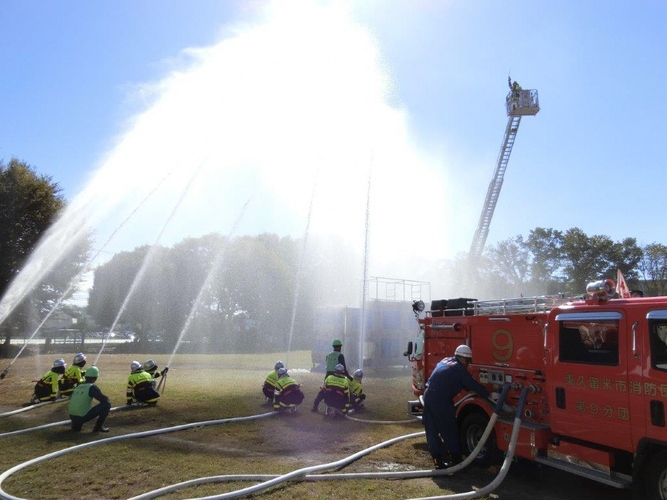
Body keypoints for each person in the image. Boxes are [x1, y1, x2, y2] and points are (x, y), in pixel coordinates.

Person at [422, 344, 489, 469]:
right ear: (464, 358)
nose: (468, 363)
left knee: (431, 428)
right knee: (449, 428)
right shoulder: (459, 369)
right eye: (468, 360)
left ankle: (438, 461)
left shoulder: (446, 360)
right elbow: (473, 385)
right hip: (440, 400)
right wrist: (489, 395)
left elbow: (448, 378)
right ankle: (456, 459)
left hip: (429, 395)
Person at [68, 366, 111, 433]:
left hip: (72, 416)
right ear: (96, 377)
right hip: (81, 416)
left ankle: (75, 426)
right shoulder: (92, 387)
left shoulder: (79, 386)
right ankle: (98, 428)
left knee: (76, 429)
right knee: (107, 404)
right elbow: (104, 400)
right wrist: (107, 398)